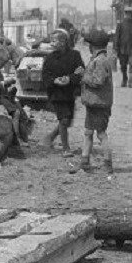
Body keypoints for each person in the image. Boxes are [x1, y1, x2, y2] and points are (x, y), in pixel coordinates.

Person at [74, 28, 115, 173]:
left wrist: (83, 75)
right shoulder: (99, 59)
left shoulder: (101, 61)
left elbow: (98, 81)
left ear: (94, 46)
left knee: (100, 133)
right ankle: (85, 162)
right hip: (95, 102)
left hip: (99, 103)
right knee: (88, 132)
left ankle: (107, 163)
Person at [41, 28, 85, 156]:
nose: (51, 43)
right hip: (56, 93)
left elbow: (81, 71)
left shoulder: (75, 55)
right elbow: (45, 76)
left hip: (70, 92)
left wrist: (69, 79)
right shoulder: (49, 58)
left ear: (63, 42)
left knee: (67, 120)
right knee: (64, 120)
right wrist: (55, 81)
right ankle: (66, 149)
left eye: (54, 40)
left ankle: (50, 137)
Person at [113, 6, 132, 88]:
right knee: (123, 66)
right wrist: (115, 48)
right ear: (125, 14)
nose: (130, 15)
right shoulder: (120, 25)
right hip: (122, 49)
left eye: (131, 13)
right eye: (128, 13)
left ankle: (131, 81)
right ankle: (124, 78)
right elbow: (116, 37)